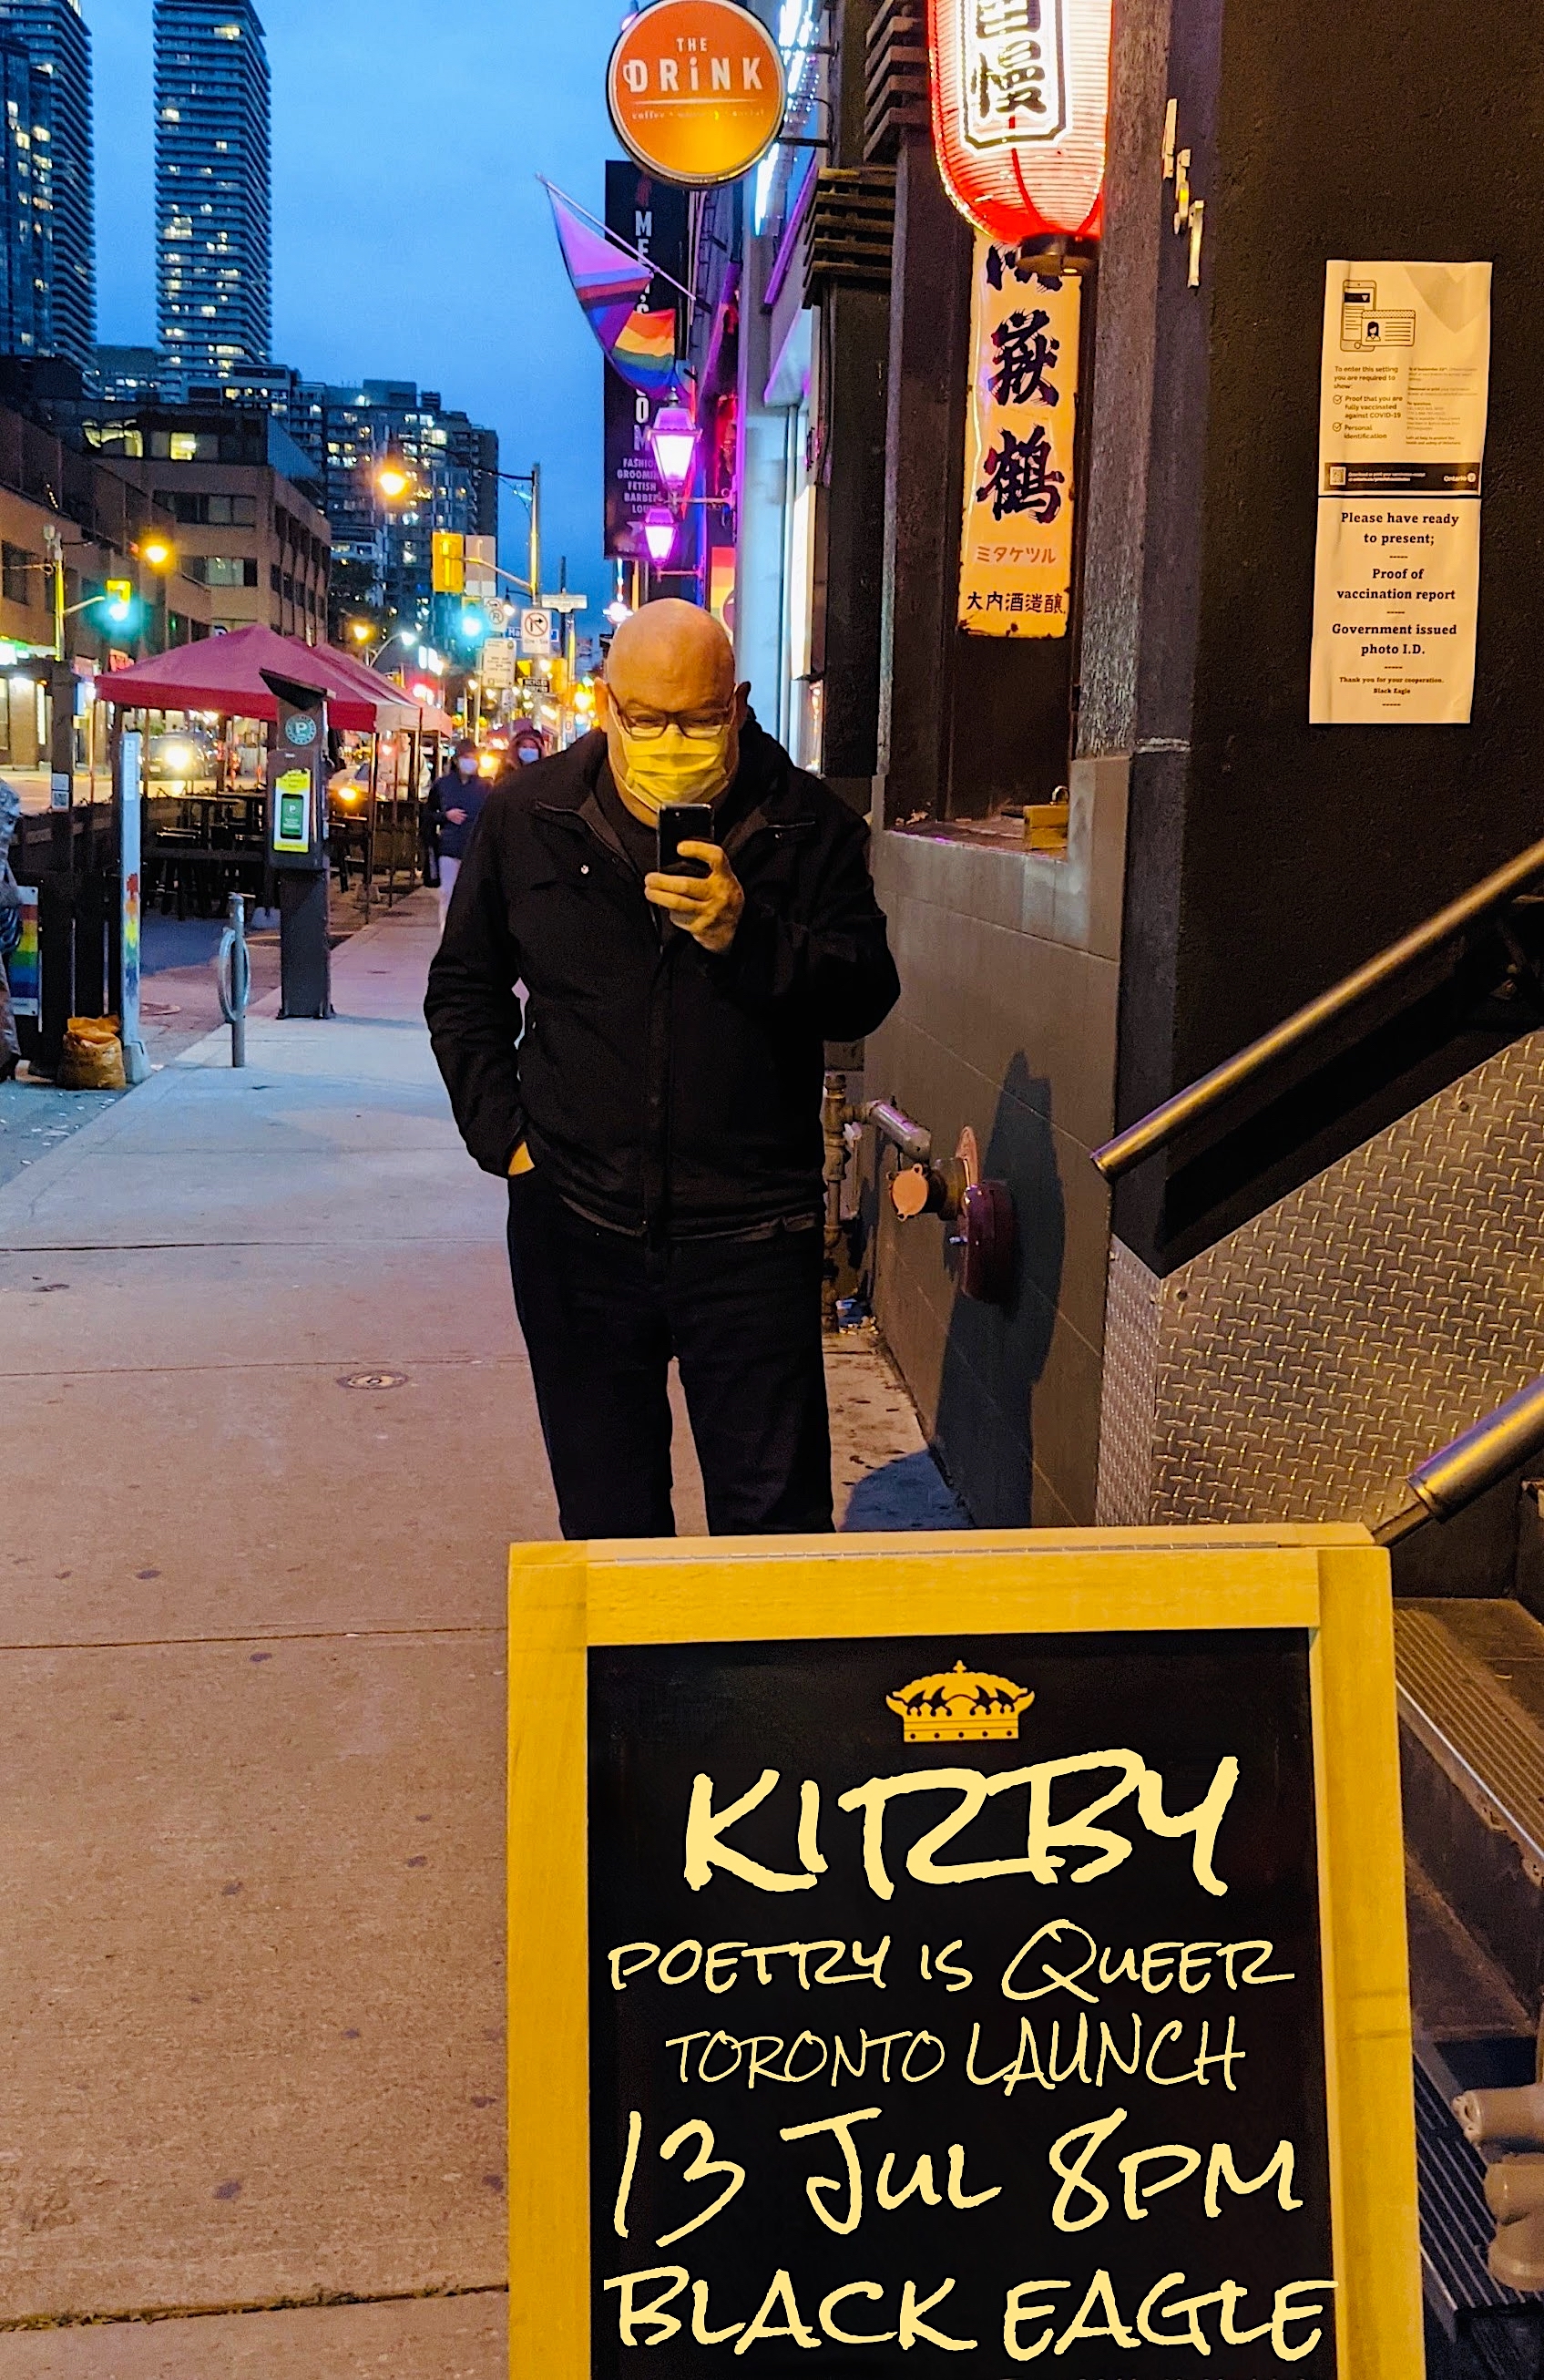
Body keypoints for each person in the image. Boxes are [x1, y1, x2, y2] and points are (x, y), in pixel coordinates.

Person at [424, 599, 900, 1539]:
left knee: (774, 1525)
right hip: (575, 1224)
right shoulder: (532, 814)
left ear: (738, 704)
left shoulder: (807, 824)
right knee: (607, 1521)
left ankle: (758, 1649)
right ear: (607, 704)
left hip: (753, 1231)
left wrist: (746, 933)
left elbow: (863, 995)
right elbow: (465, 988)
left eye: (697, 718)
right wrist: (508, 1142)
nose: (671, 741)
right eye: (646, 718)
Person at [424, 739, 489, 929]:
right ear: (457, 759)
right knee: (447, 893)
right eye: (466, 757)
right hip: (449, 848)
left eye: (473, 758)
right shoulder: (443, 785)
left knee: (472, 897)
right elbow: (428, 814)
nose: (470, 761)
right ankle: (446, 932)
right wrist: (446, 816)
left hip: (475, 849)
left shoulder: (485, 787)